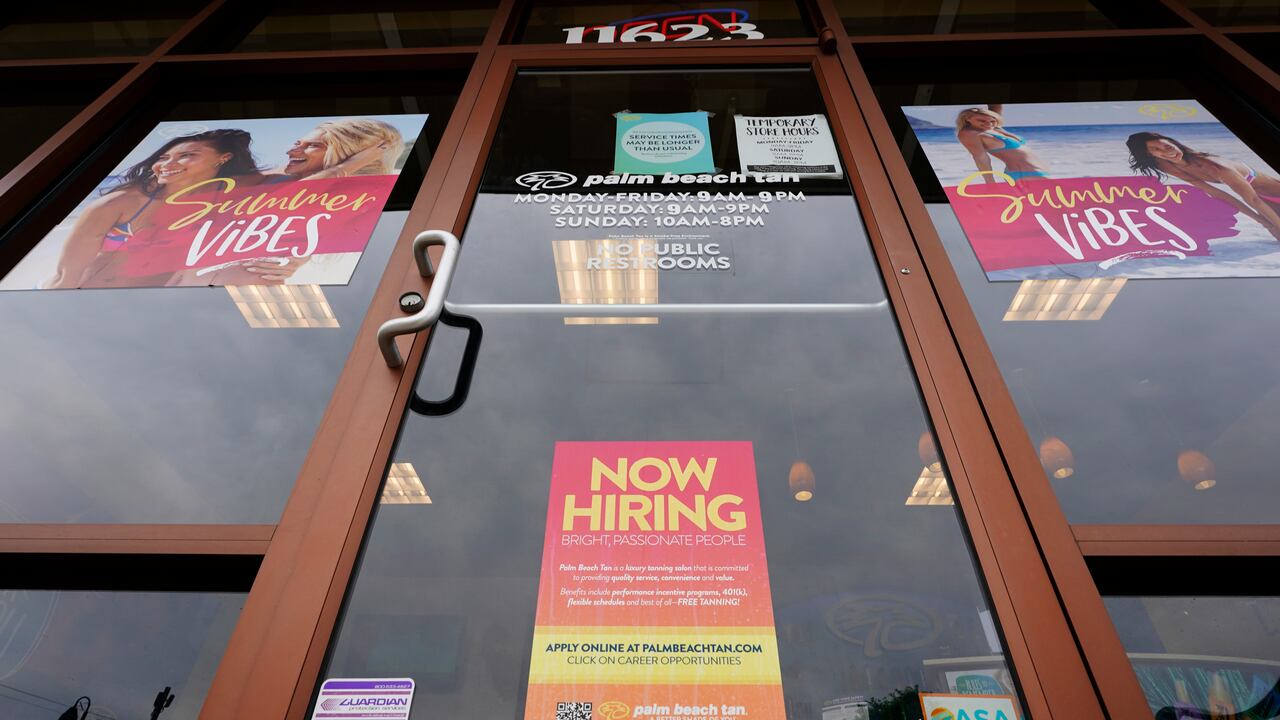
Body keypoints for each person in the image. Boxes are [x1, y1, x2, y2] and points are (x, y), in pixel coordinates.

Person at [47, 129, 264, 289]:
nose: (167, 164)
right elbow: (64, 277)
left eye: (186, 155)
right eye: (164, 157)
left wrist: (289, 263)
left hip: (154, 305)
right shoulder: (121, 203)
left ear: (223, 158)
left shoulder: (227, 201)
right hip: (91, 295)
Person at [1127, 131, 1280, 240]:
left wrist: (1274, 225)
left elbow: (1252, 200)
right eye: (1156, 150)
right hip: (1264, 202)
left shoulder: (1215, 167)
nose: (1167, 152)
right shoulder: (1165, 165)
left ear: (1172, 141)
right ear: (1150, 154)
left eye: (1167, 146)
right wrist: (1265, 223)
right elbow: (1219, 195)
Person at [268, 117, 405, 181]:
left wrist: (343, 168)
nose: (290, 151)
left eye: (312, 145)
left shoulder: (352, 199)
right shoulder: (275, 178)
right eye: (298, 143)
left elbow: (295, 194)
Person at [955, 104, 1050, 184]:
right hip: (1025, 175)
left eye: (992, 121)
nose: (988, 124)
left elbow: (996, 107)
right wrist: (990, 183)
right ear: (968, 119)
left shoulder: (993, 128)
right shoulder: (969, 133)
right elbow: (980, 158)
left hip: (1035, 173)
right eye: (981, 121)